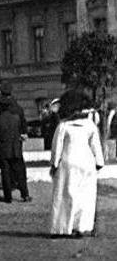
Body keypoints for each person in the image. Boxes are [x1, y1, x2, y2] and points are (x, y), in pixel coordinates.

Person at [49, 89, 104, 237]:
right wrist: (99, 162)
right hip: (87, 163)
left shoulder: (63, 126)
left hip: (67, 163)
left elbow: (56, 149)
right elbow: (96, 147)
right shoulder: (90, 125)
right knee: (85, 196)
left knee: (64, 195)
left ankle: (62, 228)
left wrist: (54, 165)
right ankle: (81, 227)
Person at [0, 96, 31, 203]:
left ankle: (8, 197)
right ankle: (25, 195)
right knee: (20, 174)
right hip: (16, 149)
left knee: (5, 174)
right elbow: (21, 130)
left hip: (3, 150)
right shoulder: (16, 118)